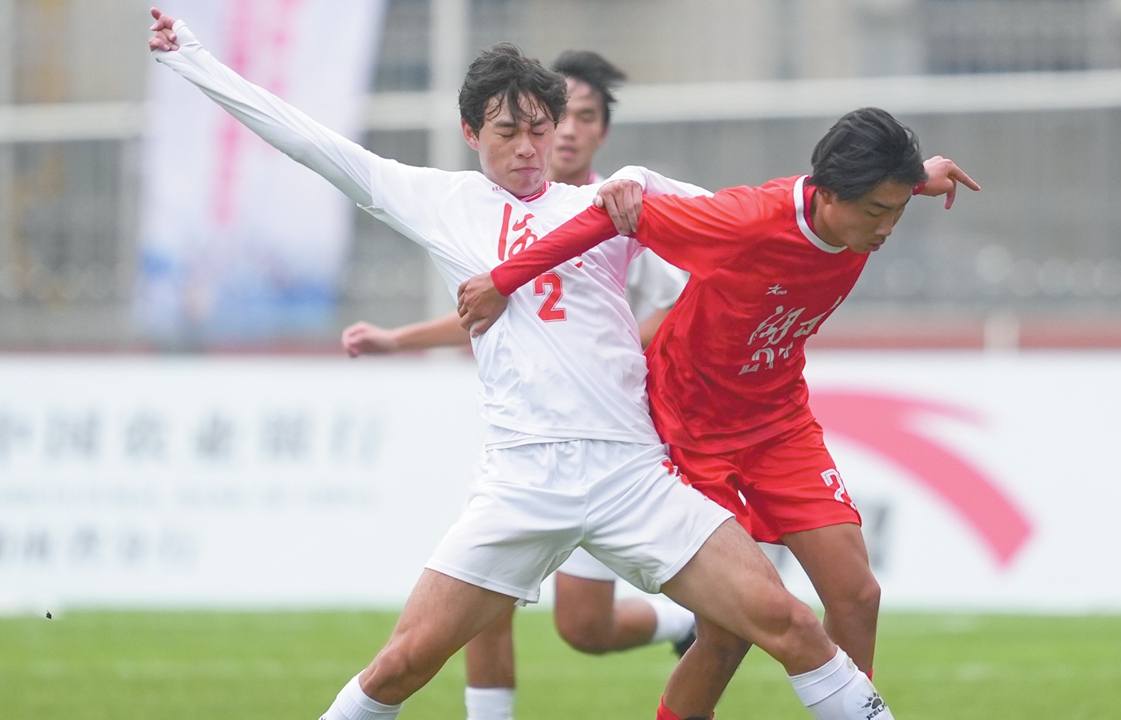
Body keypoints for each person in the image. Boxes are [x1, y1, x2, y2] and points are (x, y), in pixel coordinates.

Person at [148, 9, 900, 720]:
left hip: (631, 474)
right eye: (508, 132)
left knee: (791, 624)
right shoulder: (438, 201)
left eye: (542, 129)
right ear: (471, 133)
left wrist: (897, 185)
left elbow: (765, 217)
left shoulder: (616, 200)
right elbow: (311, 143)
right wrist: (194, 58)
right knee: (402, 664)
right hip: (522, 481)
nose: (529, 147)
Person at [459, 107, 980, 720]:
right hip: (690, 431)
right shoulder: (742, 222)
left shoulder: (864, 199)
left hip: (780, 423)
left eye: (898, 209)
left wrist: (919, 177)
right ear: (829, 196)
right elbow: (606, 217)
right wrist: (503, 278)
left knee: (858, 595)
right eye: (877, 212)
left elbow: (882, 189)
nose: (887, 227)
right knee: (726, 638)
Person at [342, 50, 695, 720]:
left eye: (578, 119)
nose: (559, 136)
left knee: (584, 628)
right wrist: (398, 340)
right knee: (486, 598)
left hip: (621, 447)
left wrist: (616, 353)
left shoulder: (624, 214)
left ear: (594, 131)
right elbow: (486, 309)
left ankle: (687, 627)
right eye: (529, 124)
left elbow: (685, 305)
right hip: (533, 443)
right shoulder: (491, 210)